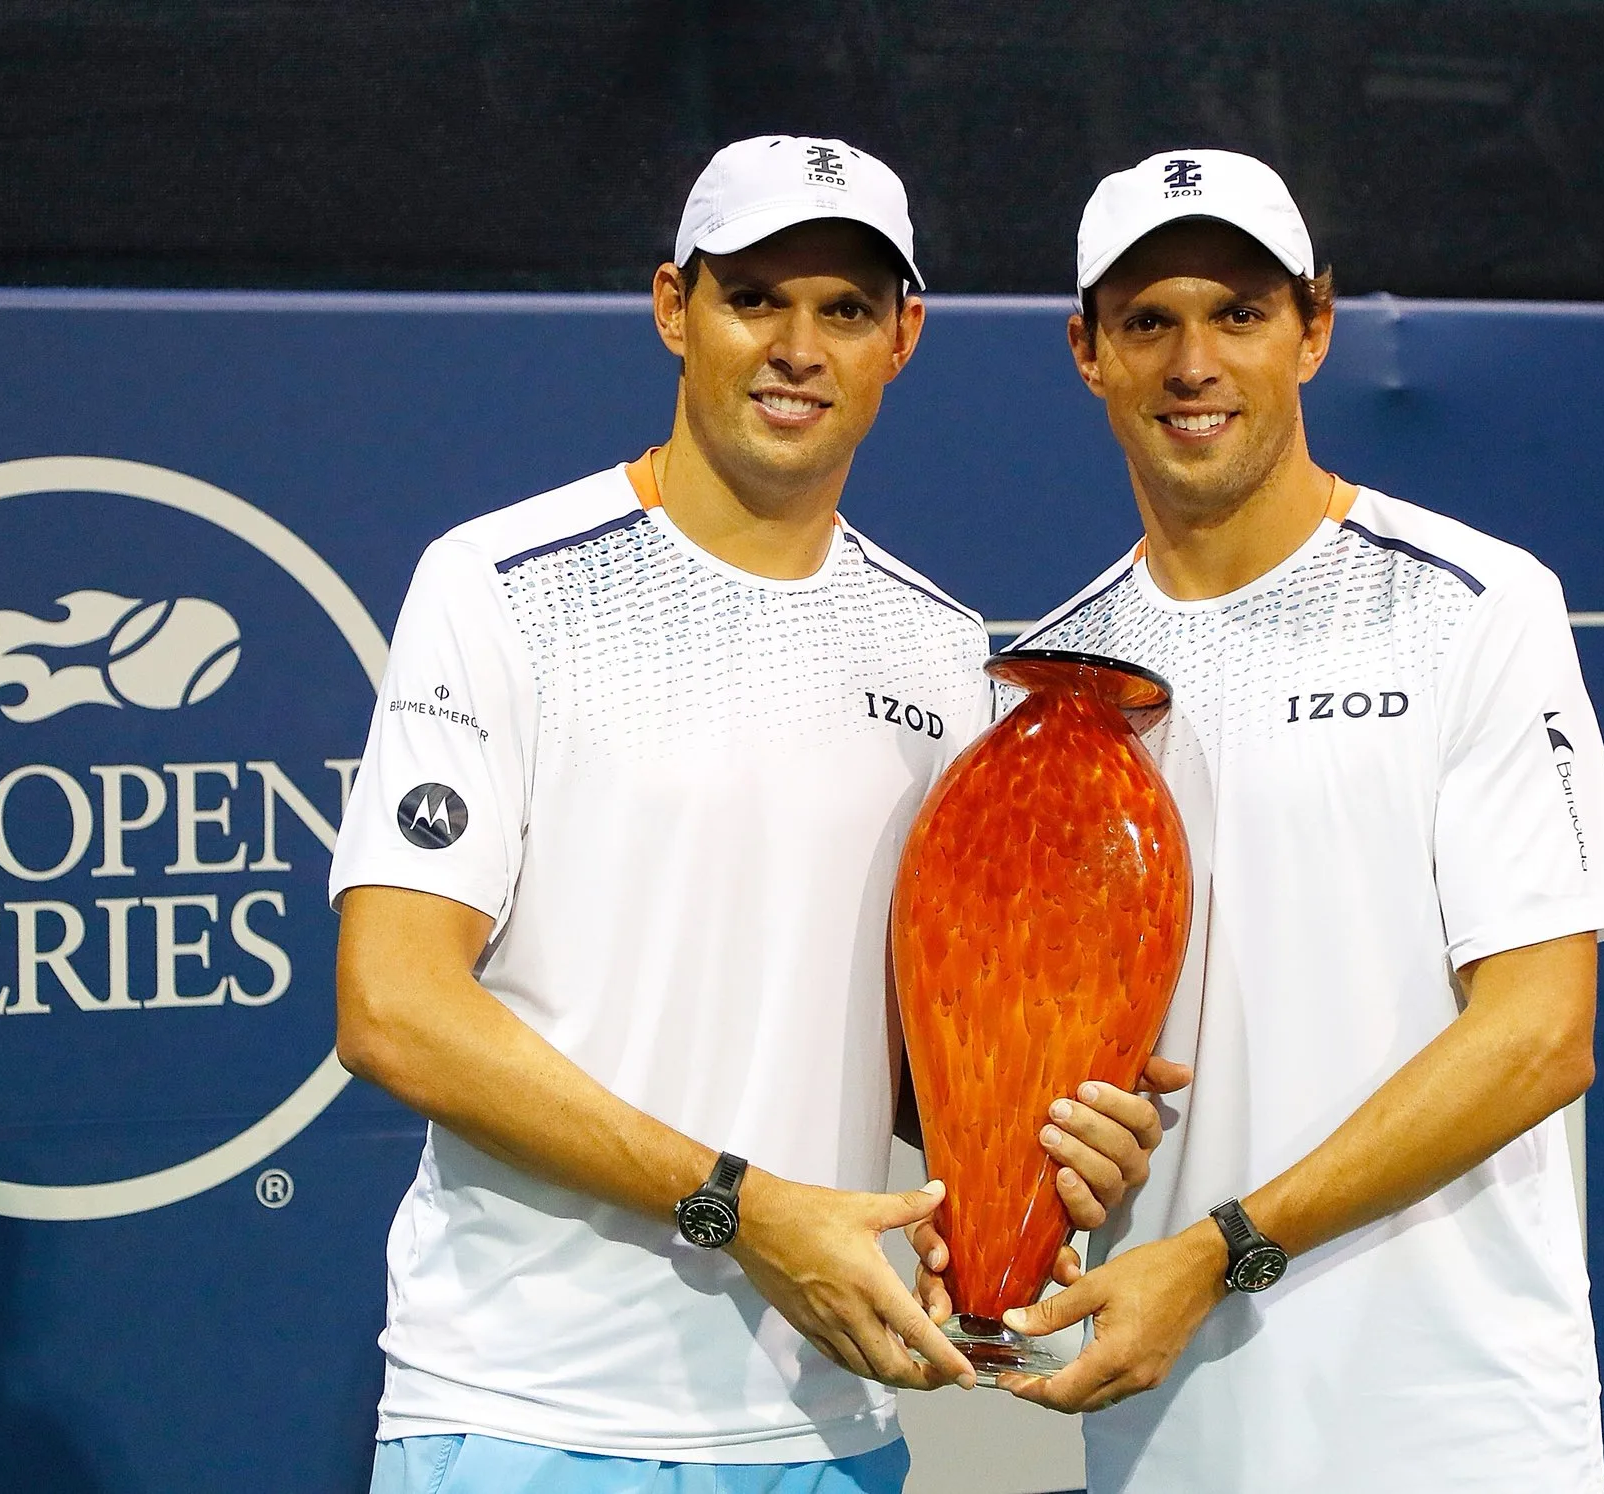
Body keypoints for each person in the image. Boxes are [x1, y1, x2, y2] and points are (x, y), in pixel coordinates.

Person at [328, 135, 1183, 1494]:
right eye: (756, 298)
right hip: (530, 1409)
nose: (799, 345)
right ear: (676, 307)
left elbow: (922, 1072)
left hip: (823, 1430)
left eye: (844, 309)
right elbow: (394, 1004)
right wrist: (741, 1204)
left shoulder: (944, 653)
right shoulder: (502, 583)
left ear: (903, 338)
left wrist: (1063, 1134)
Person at [989, 148, 1604, 1493]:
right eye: (1148, 322)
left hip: (1457, 1430)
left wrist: (1223, 1246)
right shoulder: (1048, 685)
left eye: (1238, 314)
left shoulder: (1478, 605)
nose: (1194, 363)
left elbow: (1540, 1033)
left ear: (1314, 328)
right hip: (1167, 1435)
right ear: (1086, 352)